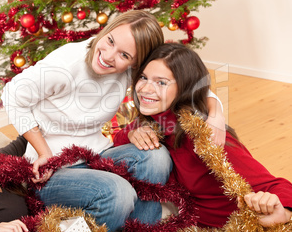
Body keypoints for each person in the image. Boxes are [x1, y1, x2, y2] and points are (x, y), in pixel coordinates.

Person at [2, 10, 225, 230]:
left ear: (136, 63)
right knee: (118, 192)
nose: (109, 55)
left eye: (124, 55)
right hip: (51, 172)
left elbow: (185, 79)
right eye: (109, 41)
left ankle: (145, 228)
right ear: (106, 30)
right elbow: (11, 95)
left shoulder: (131, 70)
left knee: (156, 157)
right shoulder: (67, 64)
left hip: (96, 155)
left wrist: (215, 114)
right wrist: (43, 153)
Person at [113, 43, 292, 228]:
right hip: (180, 221)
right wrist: (133, 134)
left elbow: (277, 185)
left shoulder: (203, 138)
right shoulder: (154, 122)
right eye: (144, 77)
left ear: (184, 90)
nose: (145, 89)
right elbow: (118, 142)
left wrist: (284, 211)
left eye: (161, 82)